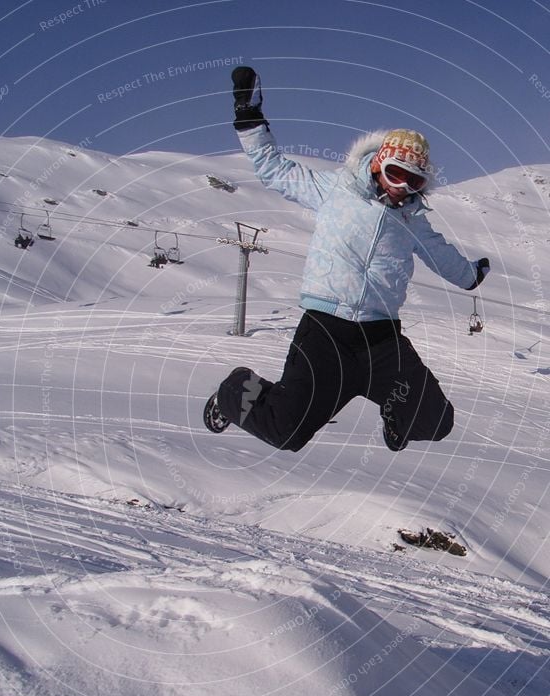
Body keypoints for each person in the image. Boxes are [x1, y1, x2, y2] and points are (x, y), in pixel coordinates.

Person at [203, 67, 490, 453]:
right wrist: (249, 116)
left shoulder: (413, 222)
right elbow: (275, 169)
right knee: (285, 432)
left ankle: (395, 411)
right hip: (326, 334)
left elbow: (443, 258)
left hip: (381, 341)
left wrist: (471, 275)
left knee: (436, 421)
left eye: (415, 181)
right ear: (377, 165)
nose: (402, 187)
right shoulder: (334, 190)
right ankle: (235, 389)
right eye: (396, 173)